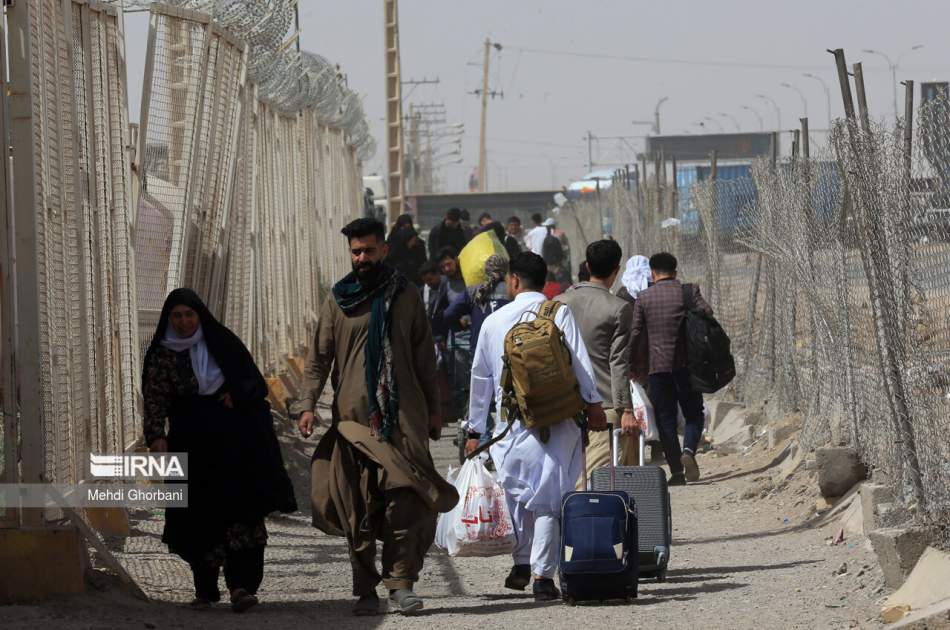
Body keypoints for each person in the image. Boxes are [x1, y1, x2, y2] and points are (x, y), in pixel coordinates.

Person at [292, 218, 459, 616]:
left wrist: (435, 409)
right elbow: (318, 359)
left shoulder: (406, 295)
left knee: (408, 501)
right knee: (358, 507)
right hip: (353, 421)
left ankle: (401, 583)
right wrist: (306, 404)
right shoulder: (338, 299)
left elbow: (424, 358)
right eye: (356, 252)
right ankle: (366, 589)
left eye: (369, 250)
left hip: (404, 419)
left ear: (384, 249)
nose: (362, 258)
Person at [142, 288, 296, 613]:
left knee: (240, 511)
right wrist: (156, 435)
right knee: (198, 515)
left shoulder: (221, 342)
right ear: (168, 319)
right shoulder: (162, 354)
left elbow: (251, 380)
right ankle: (205, 590)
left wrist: (237, 394)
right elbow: (155, 395)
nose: (184, 322)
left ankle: (241, 586)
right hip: (190, 443)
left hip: (233, 443)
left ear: (201, 316)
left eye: (189, 315)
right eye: (177, 316)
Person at [464, 252, 605, 602]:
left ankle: (522, 561)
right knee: (549, 500)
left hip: (511, 425)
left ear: (513, 280)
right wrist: (595, 404)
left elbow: (480, 380)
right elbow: (580, 363)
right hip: (558, 420)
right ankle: (543, 577)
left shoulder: (494, 321)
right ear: (544, 282)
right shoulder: (559, 313)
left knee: (517, 494)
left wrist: (473, 430)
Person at [559, 240, 639, 490]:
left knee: (569, 473)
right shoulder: (618, 308)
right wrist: (626, 409)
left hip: (562, 406)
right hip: (604, 406)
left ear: (587, 265)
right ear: (616, 270)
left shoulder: (559, 303)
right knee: (596, 480)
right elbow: (618, 361)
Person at [629, 252, 712, 485]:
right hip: (687, 366)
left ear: (653, 273)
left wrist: (631, 365)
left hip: (658, 369)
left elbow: (635, 333)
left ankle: (676, 472)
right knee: (694, 413)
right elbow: (707, 313)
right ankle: (689, 451)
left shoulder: (643, 298)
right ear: (675, 272)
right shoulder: (688, 291)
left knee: (665, 419)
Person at [436, 247, 472, 423]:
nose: (446, 269)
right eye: (443, 267)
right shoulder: (445, 284)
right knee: (459, 384)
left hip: (474, 338)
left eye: (448, 264)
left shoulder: (470, 278)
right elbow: (441, 311)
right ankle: (463, 419)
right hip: (456, 341)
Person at [386, 215, 427, 286]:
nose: (405, 232)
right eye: (403, 228)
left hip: (415, 278)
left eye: (408, 228)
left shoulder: (417, 242)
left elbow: (422, 261)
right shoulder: (393, 241)